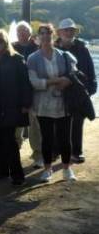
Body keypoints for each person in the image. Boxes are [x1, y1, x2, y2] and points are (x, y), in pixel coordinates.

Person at [27, 23, 77, 182]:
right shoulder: (32, 58)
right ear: (37, 37)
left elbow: (75, 75)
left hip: (64, 103)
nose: (45, 36)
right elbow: (34, 82)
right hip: (43, 105)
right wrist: (55, 81)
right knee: (46, 138)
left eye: (48, 32)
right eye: (41, 33)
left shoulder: (65, 56)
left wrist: (67, 81)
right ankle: (47, 169)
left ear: (53, 35)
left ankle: (66, 168)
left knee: (65, 137)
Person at [0, 30, 32, 186]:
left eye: (1, 41)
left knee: (10, 141)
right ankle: (2, 171)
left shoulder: (17, 59)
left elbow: (25, 83)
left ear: (6, 43)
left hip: (12, 105)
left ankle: (18, 174)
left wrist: (26, 104)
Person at [55, 18, 97, 163]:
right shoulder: (53, 48)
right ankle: (57, 151)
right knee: (58, 123)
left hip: (78, 92)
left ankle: (76, 152)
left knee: (78, 122)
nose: (68, 32)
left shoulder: (82, 49)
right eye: (66, 30)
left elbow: (90, 70)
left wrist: (91, 89)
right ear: (59, 32)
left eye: (71, 30)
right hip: (59, 92)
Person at [12, 20, 41, 165]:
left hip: (35, 92)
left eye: (25, 30)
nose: (22, 33)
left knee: (35, 125)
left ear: (30, 33)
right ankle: (14, 154)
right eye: (19, 31)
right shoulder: (11, 48)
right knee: (17, 126)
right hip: (16, 93)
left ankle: (38, 155)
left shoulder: (37, 48)